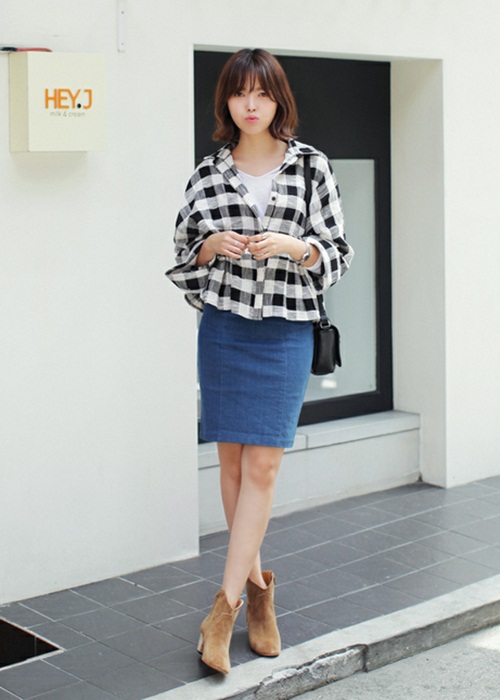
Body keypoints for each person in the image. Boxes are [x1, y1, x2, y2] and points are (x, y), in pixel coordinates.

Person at [166, 48, 353, 675]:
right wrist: (208, 248)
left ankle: (223, 609)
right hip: (224, 330)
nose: (251, 104)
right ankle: (259, 596)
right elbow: (181, 259)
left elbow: (338, 252)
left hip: (285, 331)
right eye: (240, 93)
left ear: (279, 100)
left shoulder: (311, 166)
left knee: (263, 466)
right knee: (230, 464)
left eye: (262, 93)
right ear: (226, 101)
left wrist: (296, 247)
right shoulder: (208, 173)